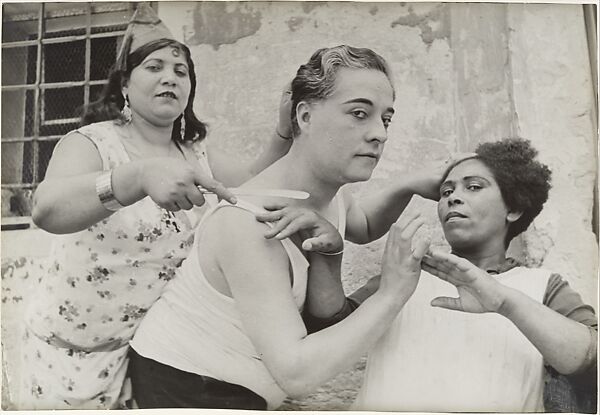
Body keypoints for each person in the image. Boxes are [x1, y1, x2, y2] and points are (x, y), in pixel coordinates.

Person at [128, 44, 438, 410]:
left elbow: (365, 225)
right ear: (304, 116)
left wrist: (410, 184)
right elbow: (297, 375)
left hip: (243, 392)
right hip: (183, 390)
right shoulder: (251, 223)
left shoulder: (330, 193)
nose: (379, 134)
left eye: (386, 119)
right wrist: (392, 293)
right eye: (359, 113)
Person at [19, 4, 293, 410]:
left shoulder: (198, 154)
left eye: (181, 72)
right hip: (66, 356)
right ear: (124, 86)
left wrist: (284, 131)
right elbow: (47, 209)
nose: (170, 77)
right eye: (155, 66)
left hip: (145, 358)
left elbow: (252, 187)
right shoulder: (93, 143)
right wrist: (138, 177)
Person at [350, 138, 597, 412]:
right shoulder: (407, 273)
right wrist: (329, 254)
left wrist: (505, 302)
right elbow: (325, 331)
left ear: (513, 208)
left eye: (474, 187)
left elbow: (593, 361)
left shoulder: (542, 287)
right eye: (445, 192)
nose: (452, 197)